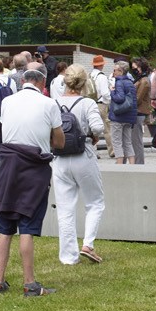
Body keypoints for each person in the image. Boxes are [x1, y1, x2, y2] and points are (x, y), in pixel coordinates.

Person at [0, 67, 63, 296]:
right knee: (27, 226)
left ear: (22, 80)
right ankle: (30, 283)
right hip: (34, 167)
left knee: (5, 227)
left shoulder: (7, 101)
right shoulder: (49, 103)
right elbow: (59, 141)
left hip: (8, 166)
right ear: (43, 82)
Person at [53, 66, 106, 264]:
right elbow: (98, 127)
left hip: (59, 157)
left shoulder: (53, 103)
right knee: (95, 202)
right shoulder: (87, 103)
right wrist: (92, 134)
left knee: (65, 208)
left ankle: (68, 256)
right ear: (84, 83)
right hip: (83, 154)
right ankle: (88, 244)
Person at [108, 60, 143, 165]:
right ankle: (132, 165)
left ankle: (119, 166)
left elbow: (119, 98)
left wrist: (112, 91)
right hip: (129, 117)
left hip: (118, 117)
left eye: (115, 70)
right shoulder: (130, 82)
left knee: (117, 142)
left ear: (120, 71)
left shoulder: (119, 82)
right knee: (128, 142)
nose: (113, 72)